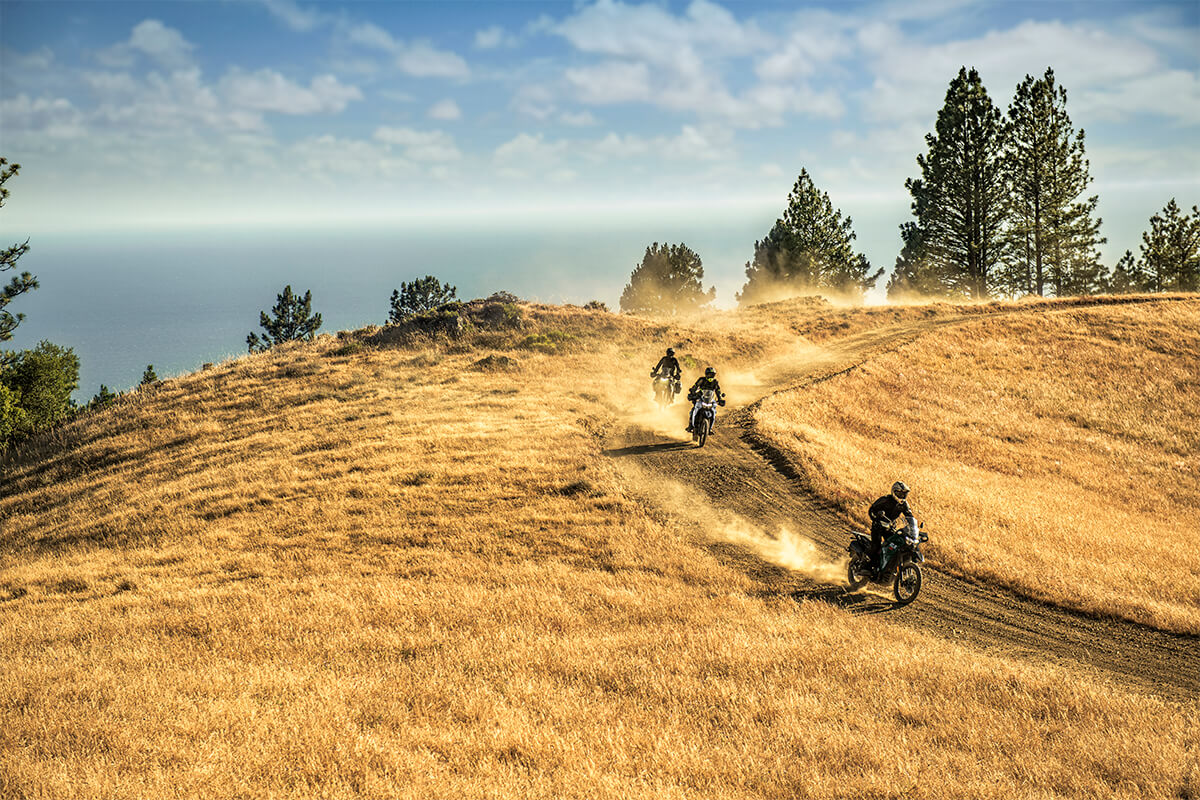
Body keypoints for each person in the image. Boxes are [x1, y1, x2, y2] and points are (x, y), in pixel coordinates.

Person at [868, 481, 914, 574]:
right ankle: (868, 567)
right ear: (894, 492)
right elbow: (871, 510)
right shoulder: (885, 500)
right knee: (876, 547)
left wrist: (913, 527)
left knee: (895, 546)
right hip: (878, 527)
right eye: (900, 493)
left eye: (904, 494)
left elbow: (910, 516)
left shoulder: (904, 504)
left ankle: (889, 567)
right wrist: (876, 519)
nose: (902, 496)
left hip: (890, 528)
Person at [685, 366, 725, 432]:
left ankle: (710, 428)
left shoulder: (715, 382)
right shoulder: (701, 380)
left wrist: (720, 398)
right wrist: (692, 392)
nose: (711, 376)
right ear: (706, 374)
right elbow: (695, 386)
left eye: (712, 375)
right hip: (701, 398)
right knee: (694, 410)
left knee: (714, 411)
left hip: (710, 400)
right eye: (709, 374)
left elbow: (718, 391)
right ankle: (690, 426)